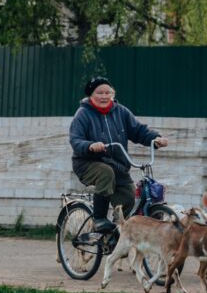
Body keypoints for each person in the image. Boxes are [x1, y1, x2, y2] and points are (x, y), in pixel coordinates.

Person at [69, 77, 169, 233]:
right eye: (99, 93)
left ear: (112, 94)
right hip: (87, 163)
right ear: (91, 95)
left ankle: (115, 234)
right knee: (105, 173)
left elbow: (139, 131)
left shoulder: (120, 111)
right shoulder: (83, 114)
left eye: (107, 92)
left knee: (128, 198)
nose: (104, 96)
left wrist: (155, 139)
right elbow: (76, 139)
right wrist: (90, 145)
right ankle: (99, 219)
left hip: (118, 165)